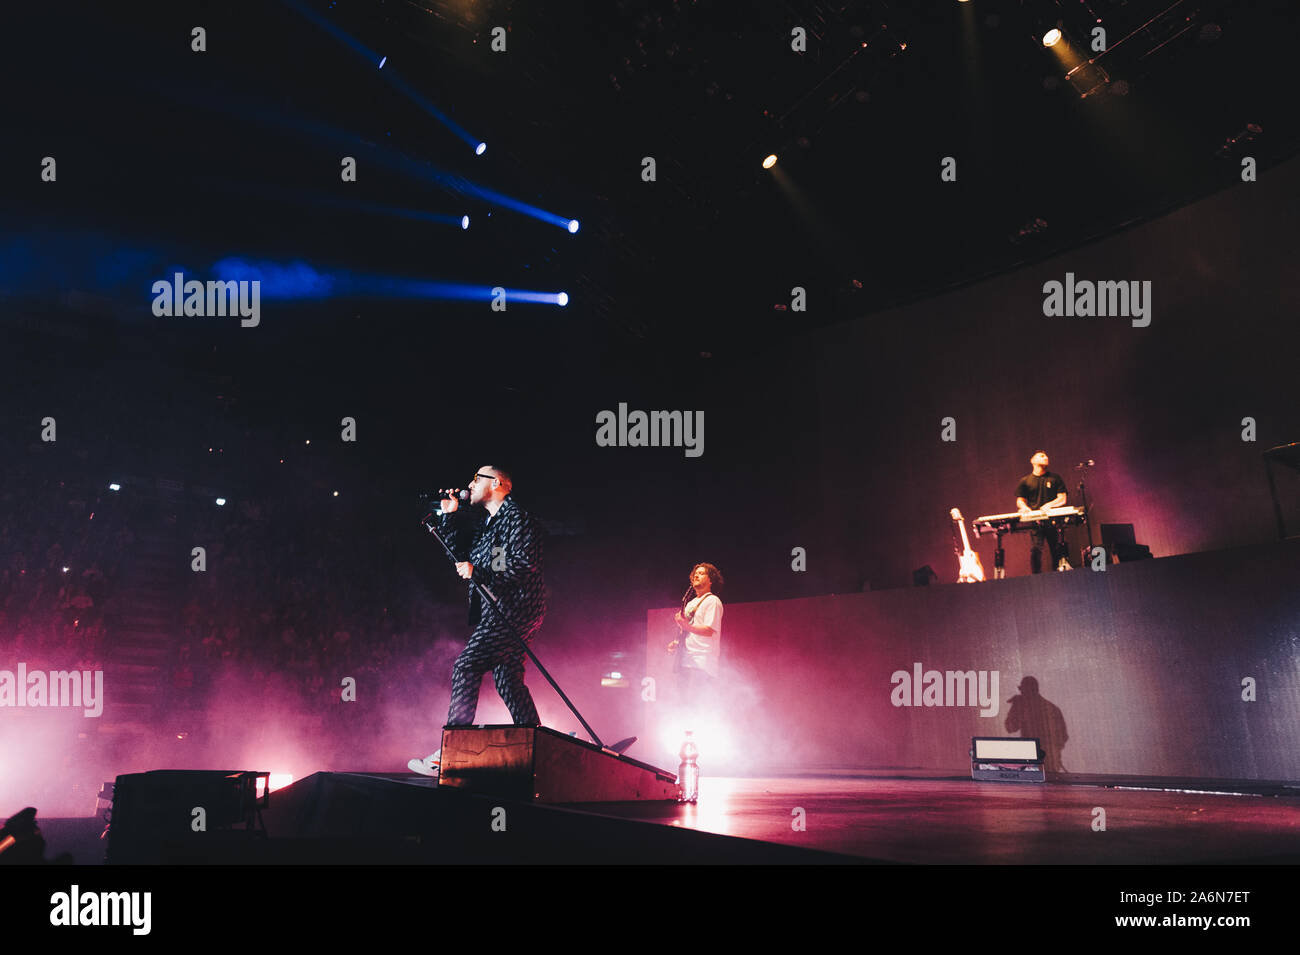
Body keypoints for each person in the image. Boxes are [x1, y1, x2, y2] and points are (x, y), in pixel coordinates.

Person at [409, 465, 546, 777]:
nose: (469, 483)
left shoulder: (519, 519)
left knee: (466, 666)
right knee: (508, 681)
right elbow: (461, 559)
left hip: (515, 607)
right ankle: (539, 746)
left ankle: (451, 752)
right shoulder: (491, 525)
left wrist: (479, 572)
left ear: (496, 483)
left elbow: (526, 566)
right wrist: (448, 517)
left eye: (475, 478)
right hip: (500, 608)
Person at [667, 563, 724, 721]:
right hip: (685, 661)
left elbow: (709, 630)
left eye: (701, 573)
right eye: (695, 574)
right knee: (682, 705)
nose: (696, 576)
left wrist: (686, 625)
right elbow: (688, 631)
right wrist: (676, 643)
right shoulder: (690, 603)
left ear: (710, 580)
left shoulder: (713, 601)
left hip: (701, 663)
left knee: (696, 707)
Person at [1015, 451, 1072, 573]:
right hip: (1036, 522)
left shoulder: (1055, 478)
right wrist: (1024, 507)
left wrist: (1049, 505)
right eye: (1042, 456)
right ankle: (1036, 577)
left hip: (1053, 521)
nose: (1046, 457)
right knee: (1036, 549)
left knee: (1057, 549)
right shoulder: (1025, 481)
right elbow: (1020, 501)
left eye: (1046, 455)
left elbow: (1063, 498)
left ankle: (1060, 576)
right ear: (1032, 460)